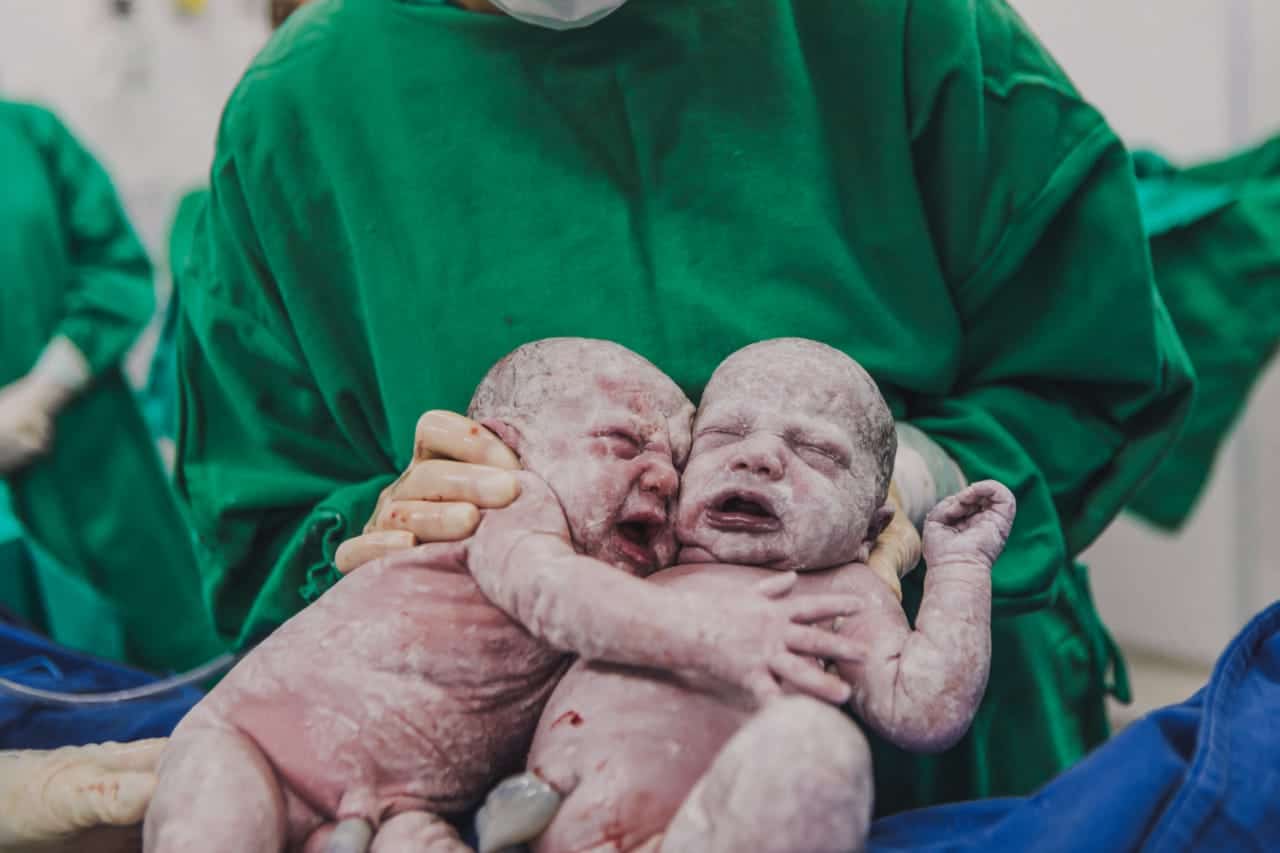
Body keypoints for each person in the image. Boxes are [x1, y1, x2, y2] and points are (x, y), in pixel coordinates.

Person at [176, 0, 1194, 811]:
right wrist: (396, 530)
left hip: (942, 780)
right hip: (542, 786)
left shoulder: (898, 25)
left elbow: (1091, 364)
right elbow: (254, 518)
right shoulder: (302, 112)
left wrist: (910, 480)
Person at [145, 338, 863, 852]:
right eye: (623, 442)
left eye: (678, 458)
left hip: (402, 802)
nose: (665, 476)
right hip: (252, 749)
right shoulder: (515, 510)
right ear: (498, 446)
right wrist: (715, 628)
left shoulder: (615, 576)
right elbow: (556, 594)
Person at [476, 339, 1016, 853]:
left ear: (869, 530)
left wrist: (961, 569)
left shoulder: (842, 591)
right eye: (723, 436)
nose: (758, 456)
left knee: (815, 746)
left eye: (817, 453)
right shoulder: (642, 553)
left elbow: (927, 709)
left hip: (711, 834)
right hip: (539, 823)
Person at [0, 100, 223, 674]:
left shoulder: (27, 134)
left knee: (189, 671)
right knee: (56, 705)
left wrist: (44, 389)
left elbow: (118, 268)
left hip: (101, 460)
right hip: (13, 536)